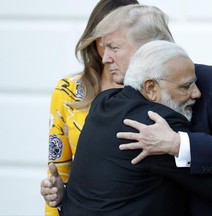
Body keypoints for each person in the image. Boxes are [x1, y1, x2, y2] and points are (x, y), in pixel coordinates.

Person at [41, 4, 212, 215]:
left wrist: (178, 144)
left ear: (150, 48)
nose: (105, 58)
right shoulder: (114, 106)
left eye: (114, 47)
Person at [46, 0, 139, 215]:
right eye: (102, 38)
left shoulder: (154, 89)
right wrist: (54, 199)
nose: (108, 48)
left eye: (118, 40)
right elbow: (57, 171)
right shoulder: (67, 91)